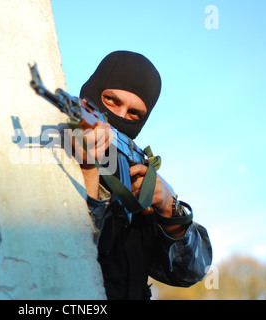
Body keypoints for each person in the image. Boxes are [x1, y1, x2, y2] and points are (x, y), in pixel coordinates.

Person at [72, 51, 213, 300]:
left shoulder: (140, 178)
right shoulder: (57, 147)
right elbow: (68, 246)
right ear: (91, 94)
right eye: (111, 101)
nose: (121, 117)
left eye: (134, 114)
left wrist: (169, 209)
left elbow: (190, 272)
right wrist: (87, 168)